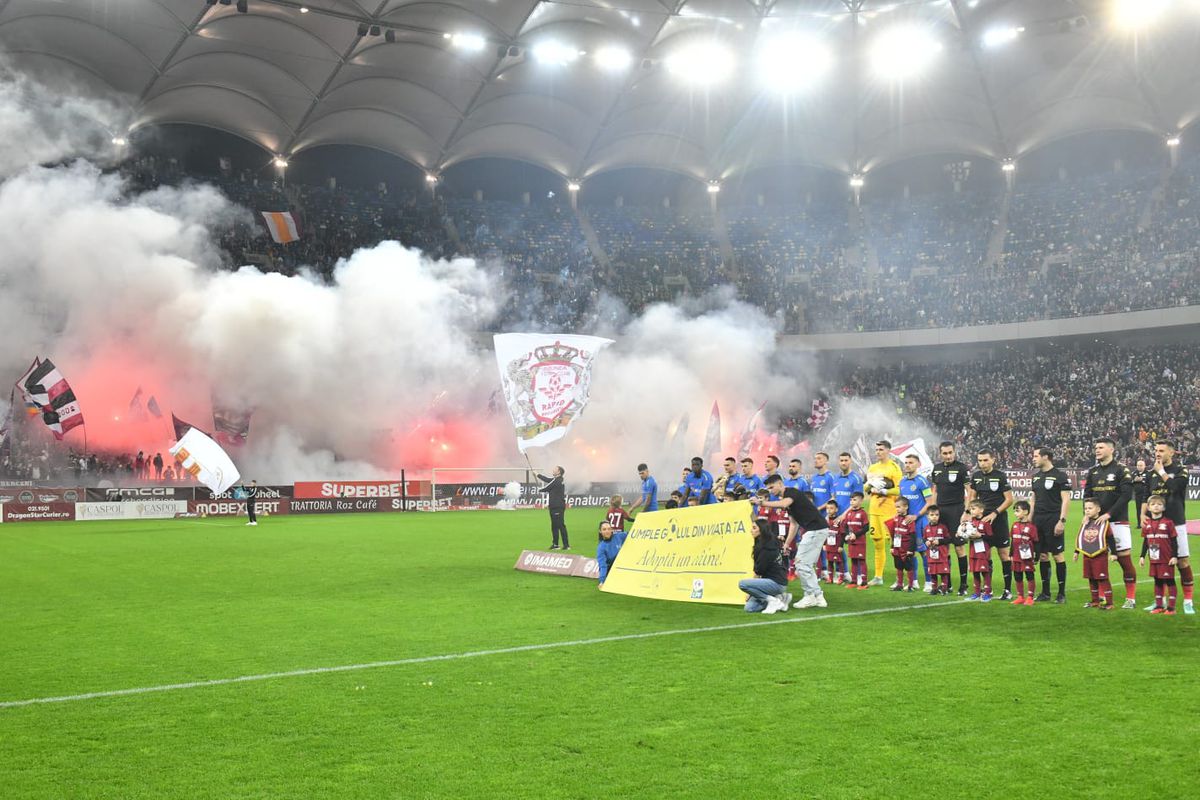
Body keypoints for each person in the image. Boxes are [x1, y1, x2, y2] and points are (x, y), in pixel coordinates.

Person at [757, 474, 831, 609]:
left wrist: (761, 503)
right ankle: (818, 597)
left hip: (815, 530)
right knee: (805, 565)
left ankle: (810, 596)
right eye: (768, 489)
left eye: (772, 487)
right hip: (816, 530)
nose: (771, 491)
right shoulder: (789, 500)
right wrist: (786, 544)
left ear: (780, 483)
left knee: (801, 563)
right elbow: (794, 524)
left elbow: (784, 503)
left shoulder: (791, 493)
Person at [1081, 438, 1136, 609]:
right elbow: (1087, 494)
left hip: (1117, 520)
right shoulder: (1093, 472)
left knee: (1123, 559)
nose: (1097, 450)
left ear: (1111, 450)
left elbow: (1126, 495)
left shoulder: (1121, 470)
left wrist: (1109, 514)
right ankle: (1103, 598)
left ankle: (1130, 598)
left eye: (1101, 447)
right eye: (1095, 447)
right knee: (1097, 559)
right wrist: (1086, 513)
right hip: (1096, 524)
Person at [1143, 440, 1193, 614]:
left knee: (1182, 561)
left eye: (1161, 450)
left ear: (1171, 453)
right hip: (1155, 526)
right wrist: (1143, 515)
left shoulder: (1180, 470)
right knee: (1158, 563)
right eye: (1156, 450)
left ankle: (1188, 601)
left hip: (1176, 523)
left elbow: (1175, 488)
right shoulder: (1151, 474)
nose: (1157, 453)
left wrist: (1161, 472)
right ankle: (1160, 601)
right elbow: (1146, 497)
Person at [966, 449, 1015, 600]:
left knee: (1004, 554)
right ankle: (987, 590)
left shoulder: (1000, 476)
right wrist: (968, 513)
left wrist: (995, 513)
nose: (982, 463)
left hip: (998, 521)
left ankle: (1007, 590)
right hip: (980, 522)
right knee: (983, 554)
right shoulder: (977, 476)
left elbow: (1009, 499)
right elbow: (972, 497)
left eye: (985, 460)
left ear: (993, 460)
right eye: (980, 460)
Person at [1030, 446, 1072, 604]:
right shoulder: (1036, 477)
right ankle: (1045, 592)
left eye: (1035, 456)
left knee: (1057, 555)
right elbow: (1033, 499)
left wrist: (1061, 521)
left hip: (1053, 519)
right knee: (1042, 555)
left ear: (1045, 457)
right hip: (1038, 520)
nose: (1033, 459)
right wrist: (1029, 518)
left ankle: (1061, 593)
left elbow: (1066, 499)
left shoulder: (1059, 475)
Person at [929, 441, 971, 596]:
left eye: (950, 452)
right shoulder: (937, 469)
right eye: (944, 453)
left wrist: (966, 511)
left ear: (954, 452)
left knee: (959, 547)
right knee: (942, 548)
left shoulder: (961, 468)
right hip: (941, 512)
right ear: (940, 454)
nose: (947, 456)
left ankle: (964, 585)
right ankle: (947, 584)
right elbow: (935, 491)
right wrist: (933, 510)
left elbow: (970, 491)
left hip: (956, 511)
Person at [866, 440, 903, 586]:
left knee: (895, 545)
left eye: (881, 449)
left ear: (888, 450)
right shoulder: (873, 467)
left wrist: (884, 491)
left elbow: (900, 490)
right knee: (877, 544)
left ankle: (899, 578)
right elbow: (865, 488)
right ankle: (878, 577)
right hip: (874, 511)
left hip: (889, 512)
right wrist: (870, 485)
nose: (878, 452)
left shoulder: (894, 468)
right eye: (877, 449)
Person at [738, 518, 792, 614]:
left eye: (754, 528)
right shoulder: (765, 543)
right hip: (771, 582)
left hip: (776, 583)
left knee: (742, 584)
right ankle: (781, 597)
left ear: (761, 530)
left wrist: (749, 592)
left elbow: (758, 571)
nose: (751, 530)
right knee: (750, 608)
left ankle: (773, 601)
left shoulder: (767, 548)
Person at [898, 453, 933, 590]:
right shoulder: (902, 482)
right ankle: (914, 582)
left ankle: (929, 582)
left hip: (919, 523)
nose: (907, 465)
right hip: (906, 523)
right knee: (909, 552)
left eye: (910, 462)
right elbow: (901, 502)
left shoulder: (922, 481)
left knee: (924, 552)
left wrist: (916, 516)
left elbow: (929, 502)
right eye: (906, 462)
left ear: (918, 465)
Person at [1139, 495, 1179, 615]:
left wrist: (1174, 556)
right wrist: (1142, 556)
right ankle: (1159, 605)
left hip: (1166, 558)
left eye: (1159, 504)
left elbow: (1174, 541)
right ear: (1149, 508)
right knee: (1157, 581)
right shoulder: (1147, 523)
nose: (1156, 506)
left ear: (1164, 508)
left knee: (1170, 581)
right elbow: (1146, 541)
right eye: (1153, 504)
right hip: (1154, 557)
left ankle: (1171, 608)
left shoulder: (1168, 522)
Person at [1074, 497, 1116, 610]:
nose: (1087, 510)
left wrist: (1114, 553)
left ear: (1098, 509)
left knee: (1102, 578)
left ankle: (1109, 602)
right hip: (1087, 555)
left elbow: (1111, 538)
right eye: (1085, 508)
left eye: (1090, 508)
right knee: (1091, 578)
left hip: (1100, 555)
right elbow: (1081, 537)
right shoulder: (1085, 522)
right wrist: (1076, 551)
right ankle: (1095, 601)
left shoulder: (1103, 523)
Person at [960, 499, 994, 601]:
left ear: (981, 510)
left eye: (973, 508)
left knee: (984, 572)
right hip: (972, 551)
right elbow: (967, 535)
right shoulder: (971, 523)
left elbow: (991, 538)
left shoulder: (986, 523)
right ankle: (977, 593)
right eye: (970, 508)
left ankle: (987, 593)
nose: (971, 510)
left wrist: (981, 536)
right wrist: (962, 534)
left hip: (983, 553)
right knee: (975, 572)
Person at [1009, 501, 1039, 606]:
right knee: (1017, 575)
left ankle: (1030, 597)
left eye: (1017, 511)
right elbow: (1012, 541)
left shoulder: (1032, 527)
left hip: (1027, 556)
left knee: (1029, 575)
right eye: (1015, 511)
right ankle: (1020, 597)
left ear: (1026, 512)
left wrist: (1037, 556)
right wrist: (1010, 554)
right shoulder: (1014, 525)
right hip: (1016, 556)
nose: (1015, 513)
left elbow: (1036, 542)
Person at [886, 496, 918, 592]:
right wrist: (892, 546)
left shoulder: (909, 520)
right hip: (897, 549)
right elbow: (894, 534)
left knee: (909, 568)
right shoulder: (896, 519)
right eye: (896, 507)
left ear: (906, 507)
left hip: (906, 549)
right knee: (898, 567)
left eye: (899, 507)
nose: (897, 509)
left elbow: (913, 536)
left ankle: (910, 586)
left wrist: (910, 550)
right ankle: (899, 584)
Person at [536, 466, 569, 550]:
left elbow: (546, 488)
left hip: (557, 506)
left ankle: (566, 545)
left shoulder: (557, 480)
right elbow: (547, 479)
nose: (553, 470)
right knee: (554, 526)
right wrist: (537, 474)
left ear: (559, 472)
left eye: (555, 469)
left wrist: (539, 489)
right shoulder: (557, 479)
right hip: (554, 506)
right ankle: (555, 544)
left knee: (560, 525)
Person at [842, 491, 870, 589]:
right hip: (851, 542)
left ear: (861, 501)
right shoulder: (849, 513)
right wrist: (846, 535)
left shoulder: (863, 513)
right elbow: (845, 526)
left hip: (860, 542)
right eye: (851, 500)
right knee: (853, 560)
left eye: (854, 500)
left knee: (861, 561)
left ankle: (864, 582)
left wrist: (856, 535)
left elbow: (866, 527)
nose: (852, 502)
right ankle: (853, 581)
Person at [923, 505, 952, 595]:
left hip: (942, 555)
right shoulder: (926, 528)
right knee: (933, 573)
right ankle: (934, 589)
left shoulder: (943, 527)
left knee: (943, 572)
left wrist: (939, 541)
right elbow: (924, 538)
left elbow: (948, 539)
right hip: (931, 555)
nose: (934, 517)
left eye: (936, 515)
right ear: (927, 516)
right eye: (932, 515)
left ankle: (944, 589)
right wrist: (926, 542)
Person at [596, 520, 627, 589]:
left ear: (612, 530)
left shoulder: (619, 536)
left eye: (609, 529)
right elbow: (603, 565)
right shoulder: (601, 548)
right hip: (611, 570)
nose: (607, 531)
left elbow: (632, 534)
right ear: (600, 531)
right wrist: (602, 581)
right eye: (604, 529)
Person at [820, 500, 844, 584]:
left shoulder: (838, 521)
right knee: (829, 561)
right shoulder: (825, 520)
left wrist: (841, 546)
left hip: (836, 546)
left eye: (831, 508)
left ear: (836, 509)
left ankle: (841, 578)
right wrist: (824, 544)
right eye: (827, 508)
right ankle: (830, 578)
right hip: (828, 545)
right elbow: (824, 533)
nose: (829, 510)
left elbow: (843, 534)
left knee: (839, 562)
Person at [1132, 458, 1150, 527]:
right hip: (1138, 495)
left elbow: (1149, 482)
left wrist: (1142, 480)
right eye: (1138, 465)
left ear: (1144, 466)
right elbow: (1131, 481)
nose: (1139, 467)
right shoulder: (1134, 473)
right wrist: (1134, 480)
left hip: (1146, 494)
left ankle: (1148, 523)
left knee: (1147, 509)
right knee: (1138, 509)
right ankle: (1139, 524)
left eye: (1141, 465)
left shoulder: (1148, 473)